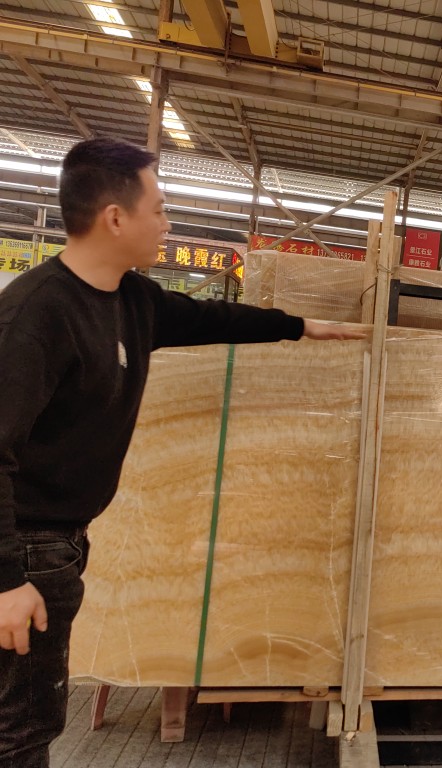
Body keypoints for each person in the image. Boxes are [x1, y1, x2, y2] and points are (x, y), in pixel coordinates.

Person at [0, 137, 364, 767]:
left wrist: (301, 326)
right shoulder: (36, 316)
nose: (167, 224)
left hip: (59, 544)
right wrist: (7, 580)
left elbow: (211, 319)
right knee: (20, 728)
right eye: (160, 209)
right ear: (116, 218)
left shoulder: (132, 301)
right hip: (25, 548)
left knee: (31, 720)